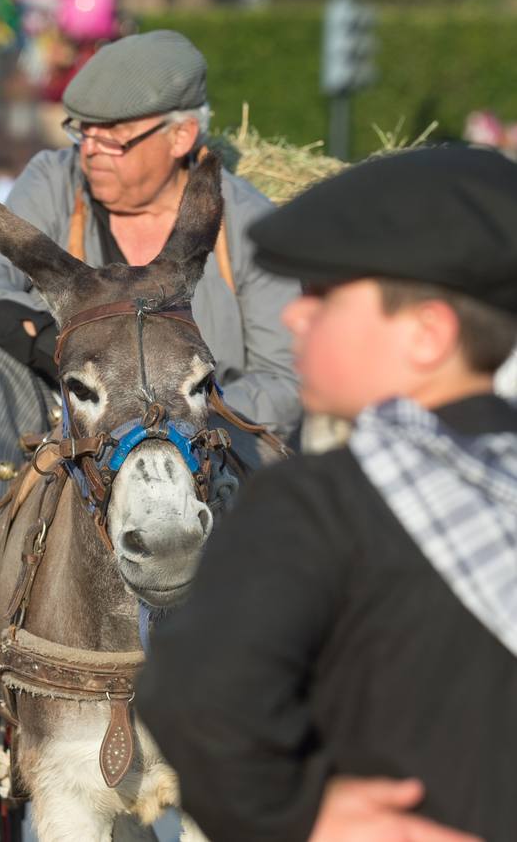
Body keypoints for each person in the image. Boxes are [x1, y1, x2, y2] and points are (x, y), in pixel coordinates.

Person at [136, 145, 517, 842]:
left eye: (327, 299)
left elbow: (193, 698)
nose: (294, 319)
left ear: (428, 334)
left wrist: (305, 813)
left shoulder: (319, 507)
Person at [0, 30, 301, 617]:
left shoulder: (247, 224)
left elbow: (287, 379)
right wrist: (75, 351)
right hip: (66, 423)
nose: (89, 150)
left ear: (181, 136)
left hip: (207, 447)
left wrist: (182, 412)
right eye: (82, 131)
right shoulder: (57, 181)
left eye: (114, 138)